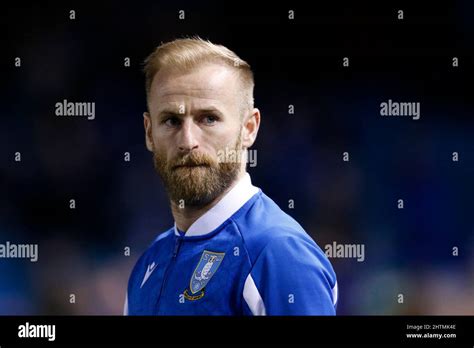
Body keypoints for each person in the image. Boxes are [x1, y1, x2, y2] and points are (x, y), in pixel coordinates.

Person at [124, 37, 338, 315]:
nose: (188, 140)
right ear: (149, 132)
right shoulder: (149, 263)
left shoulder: (277, 254)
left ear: (249, 128)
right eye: (171, 121)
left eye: (208, 118)